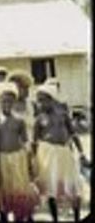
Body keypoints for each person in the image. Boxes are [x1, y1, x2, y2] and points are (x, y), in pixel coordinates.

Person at [33, 84, 88, 222]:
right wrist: (34, 160)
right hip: (48, 156)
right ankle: (55, 217)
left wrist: (81, 153)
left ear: (52, 99)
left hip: (64, 153)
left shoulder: (62, 115)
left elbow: (73, 134)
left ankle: (76, 216)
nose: (41, 103)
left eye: (44, 99)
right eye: (39, 100)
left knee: (72, 186)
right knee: (51, 188)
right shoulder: (39, 119)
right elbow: (35, 141)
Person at [0, 82, 39, 222]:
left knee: (20, 189)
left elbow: (25, 141)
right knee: (5, 190)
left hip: (18, 158)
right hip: (2, 158)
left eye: (10, 101)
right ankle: (4, 216)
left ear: (14, 102)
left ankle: (24, 216)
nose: (7, 104)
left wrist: (29, 161)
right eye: (3, 101)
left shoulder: (19, 120)